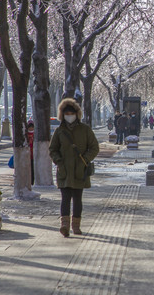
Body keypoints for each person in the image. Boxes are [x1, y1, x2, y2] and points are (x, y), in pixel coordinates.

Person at [49, 98, 99, 237]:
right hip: (64, 170)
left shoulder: (85, 130)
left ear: (77, 114)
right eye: (67, 113)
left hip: (79, 171)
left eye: (72, 113)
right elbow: (53, 149)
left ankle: (76, 226)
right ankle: (64, 225)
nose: (69, 116)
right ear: (62, 115)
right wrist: (58, 161)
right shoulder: (59, 131)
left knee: (77, 199)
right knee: (65, 198)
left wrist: (85, 160)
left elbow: (94, 147)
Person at [27, 120, 35, 185]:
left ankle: (32, 182)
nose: (31, 128)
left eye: (32, 126)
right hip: (27, 155)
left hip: (33, 155)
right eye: (29, 126)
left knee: (33, 170)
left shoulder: (35, 134)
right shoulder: (25, 134)